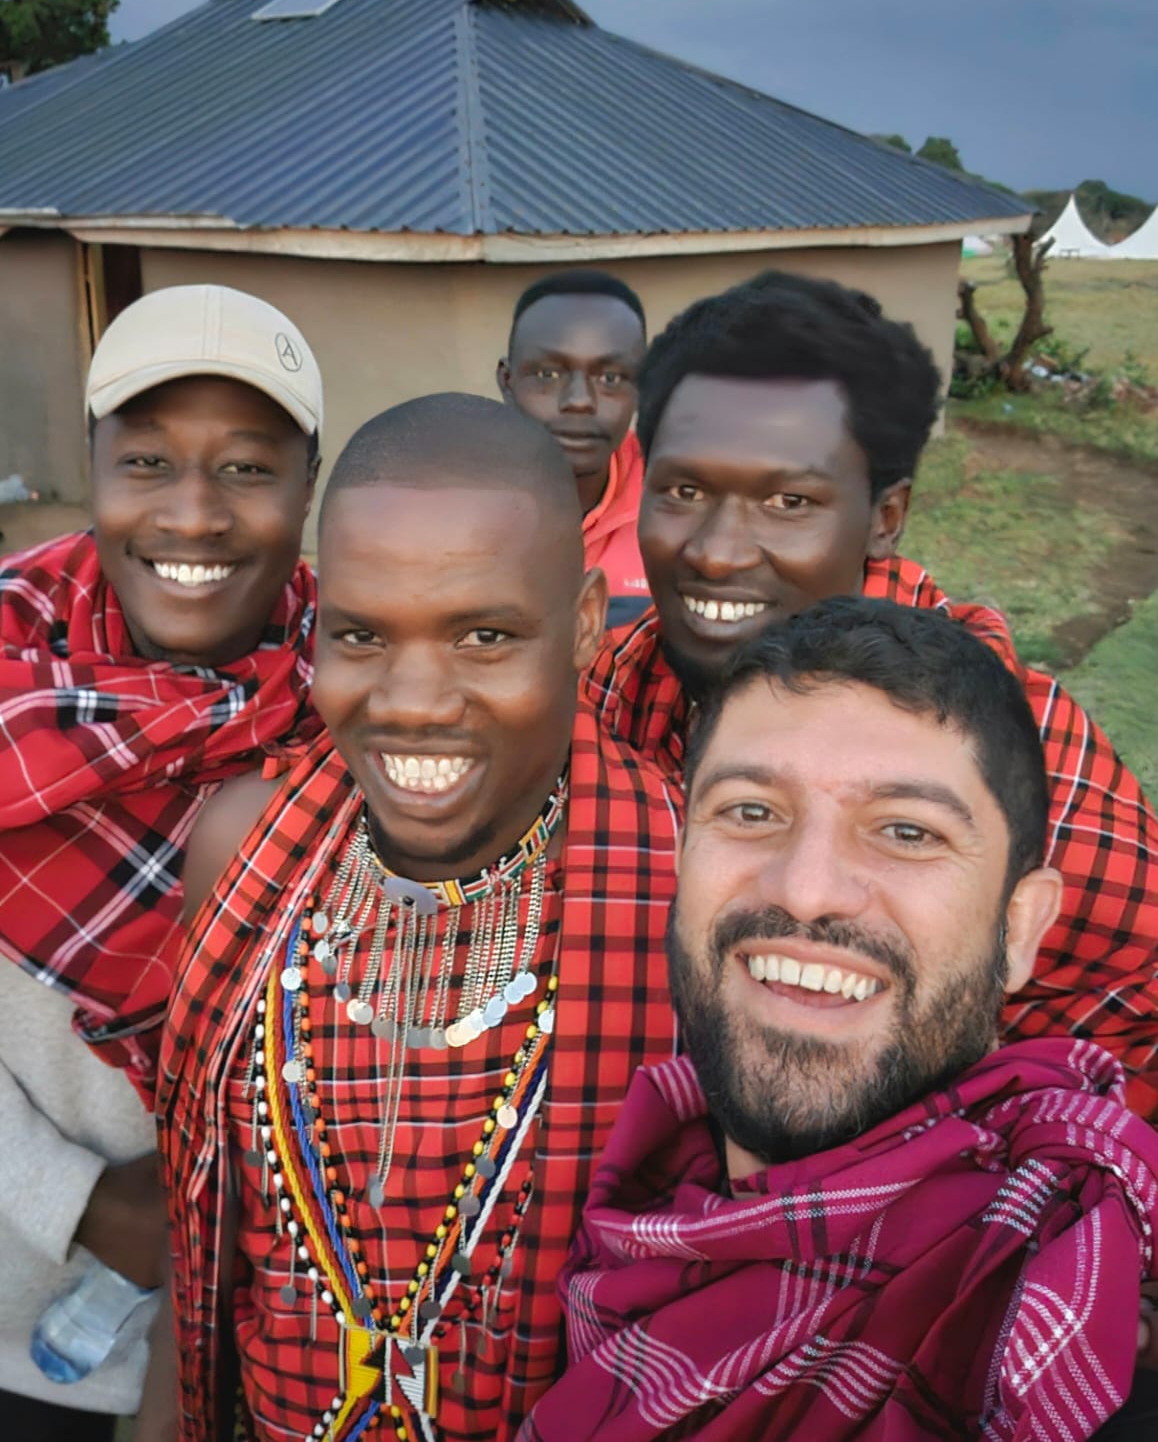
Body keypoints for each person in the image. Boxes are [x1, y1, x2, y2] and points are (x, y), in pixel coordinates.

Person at [149, 395, 679, 1442]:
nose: (415, 699)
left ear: (580, 626)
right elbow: (209, 1224)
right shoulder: (249, 850)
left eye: (484, 635)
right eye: (361, 635)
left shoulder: (682, 891)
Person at [526, 600, 1158, 1442]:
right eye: (751, 812)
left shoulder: (1068, 1325)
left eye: (906, 831)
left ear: (1019, 929)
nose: (806, 889)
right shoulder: (640, 1189)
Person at [583, 269, 1158, 1116]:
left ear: (884, 517)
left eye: (788, 500)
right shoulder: (616, 687)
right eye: (684, 491)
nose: (715, 550)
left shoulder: (1015, 754)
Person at [0, 283, 322, 1439]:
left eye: (246, 467)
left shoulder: (372, 695)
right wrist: (88, 1203)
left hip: (250, 1349)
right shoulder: (7, 661)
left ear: (307, 487)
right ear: (91, 466)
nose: (193, 514)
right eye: (146, 462)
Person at [497, 270, 649, 621]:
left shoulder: (676, 508)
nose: (580, 401)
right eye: (549, 375)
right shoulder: (447, 504)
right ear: (508, 381)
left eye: (610, 378)